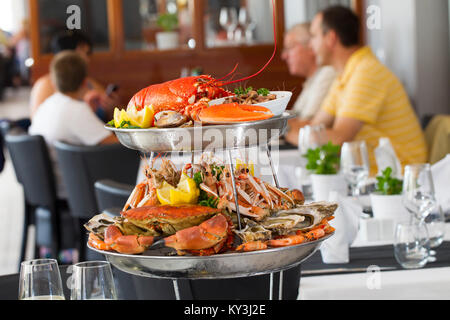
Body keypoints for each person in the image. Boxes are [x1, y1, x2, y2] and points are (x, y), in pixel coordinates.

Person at [286, 6, 427, 174]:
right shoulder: (345, 74)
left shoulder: (366, 71)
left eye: (314, 36)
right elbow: (315, 126)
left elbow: (337, 140)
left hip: (400, 179)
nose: (310, 45)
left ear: (331, 38)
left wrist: (282, 129)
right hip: (370, 177)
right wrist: (283, 127)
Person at [29, 51, 118, 199]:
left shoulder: (46, 106)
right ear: (85, 82)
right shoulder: (77, 111)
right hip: (76, 193)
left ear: (53, 82)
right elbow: (117, 146)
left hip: (49, 187)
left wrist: (89, 112)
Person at [29, 30, 119, 121]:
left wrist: (111, 109)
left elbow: (109, 118)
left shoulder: (89, 83)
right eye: (84, 53)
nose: (88, 60)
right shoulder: (45, 84)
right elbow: (39, 123)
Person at [282, 23, 336, 120]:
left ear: (310, 46)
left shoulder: (327, 73)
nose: (284, 56)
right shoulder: (312, 79)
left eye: (289, 48)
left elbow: (307, 122)